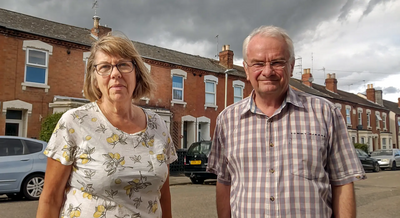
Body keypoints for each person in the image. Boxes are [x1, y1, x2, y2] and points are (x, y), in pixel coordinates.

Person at [207, 25, 365, 218]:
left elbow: (342, 181)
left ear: (291, 67)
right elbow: (224, 183)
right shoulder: (227, 120)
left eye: (277, 62)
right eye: (258, 63)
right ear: (247, 70)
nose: (267, 71)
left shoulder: (325, 112)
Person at [37, 32, 177, 218]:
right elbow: (50, 199)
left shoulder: (157, 124)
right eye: (105, 67)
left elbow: (163, 197)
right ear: (94, 78)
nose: (115, 74)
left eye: (123, 65)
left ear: (137, 73)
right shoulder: (74, 122)